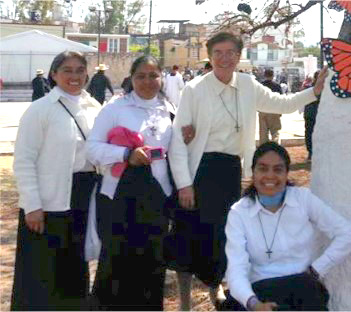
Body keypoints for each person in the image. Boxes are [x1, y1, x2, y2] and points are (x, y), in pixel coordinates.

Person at [167, 31, 328, 311]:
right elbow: (179, 140)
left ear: (239, 56)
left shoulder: (247, 84)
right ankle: (184, 303)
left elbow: (282, 104)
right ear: (210, 55)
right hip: (198, 172)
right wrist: (184, 184)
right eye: (218, 52)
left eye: (231, 52)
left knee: (223, 235)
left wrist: (313, 92)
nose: (224, 58)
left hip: (229, 170)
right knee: (188, 237)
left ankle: (216, 290)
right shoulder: (194, 89)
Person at [11, 51, 101, 311]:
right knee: (41, 271)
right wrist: (32, 205)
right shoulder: (40, 109)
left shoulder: (94, 107)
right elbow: (24, 160)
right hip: (49, 201)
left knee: (74, 267)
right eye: (67, 70)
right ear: (53, 74)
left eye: (79, 70)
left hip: (84, 196)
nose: (74, 76)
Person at [86, 55, 176, 310]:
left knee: (152, 265)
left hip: (158, 200)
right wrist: (125, 155)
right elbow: (92, 149)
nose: (147, 81)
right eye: (141, 76)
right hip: (119, 199)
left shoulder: (169, 110)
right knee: (117, 264)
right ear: (131, 79)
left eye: (153, 75)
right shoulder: (115, 108)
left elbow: (176, 152)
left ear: (161, 77)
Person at [223, 142, 351, 311]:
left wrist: (316, 269)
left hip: (303, 289)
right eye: (263, 168)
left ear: (286, 173)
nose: (270, 176)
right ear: (253, 173)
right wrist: (254, 304)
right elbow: (236, 270)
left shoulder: (303, 199)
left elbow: (345, 233)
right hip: (259, 292)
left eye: (278, 169)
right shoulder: (239, 213)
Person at [258, 69, 283, 145]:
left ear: (264, 75)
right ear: (273, 76)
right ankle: (276, 148)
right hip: (274, 110)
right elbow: (281, 99)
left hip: (263, 110)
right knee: (275, 131)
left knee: (263, 133)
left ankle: (263, 151)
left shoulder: (260, 86)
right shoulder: (277, 86)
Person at [303, 71, 320, 162]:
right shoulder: (323, 90)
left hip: (309, 114)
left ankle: (311, 153)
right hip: (317, 115)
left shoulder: (308, 88)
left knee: (309, 134)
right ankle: (314, 153)